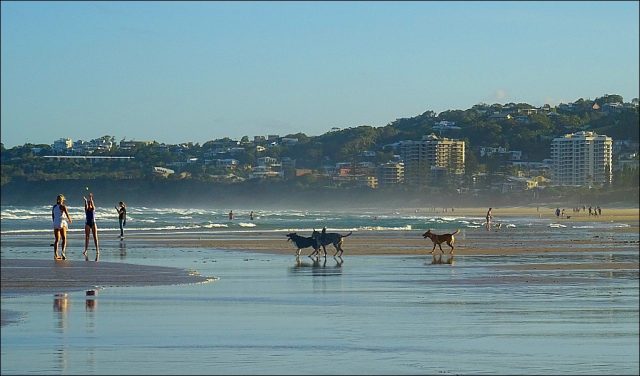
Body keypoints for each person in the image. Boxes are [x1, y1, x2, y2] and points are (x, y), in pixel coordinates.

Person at [52, 194, 72, 260]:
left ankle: (55, 254)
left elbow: (53, 215)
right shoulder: (63, 206)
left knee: (57, 239)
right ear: (62, 200)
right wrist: (69, 219)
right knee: (64, 238)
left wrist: (54, 221)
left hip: (55, 222)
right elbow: (67, 214)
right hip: (61, 222)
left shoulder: (54, 206)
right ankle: (63, 252)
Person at [83, 193, 100, 261]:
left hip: (93, 223)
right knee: (87, 237)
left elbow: (92, 204)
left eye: (89, 203)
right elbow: (85, 205)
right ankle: (86, 250)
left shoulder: (93, 209)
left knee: (95, 236)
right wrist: (85, 200)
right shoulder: (86, 210)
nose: (89, 204)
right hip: (87, 223)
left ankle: (97, 249)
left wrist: (91, 198)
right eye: (88, 203)